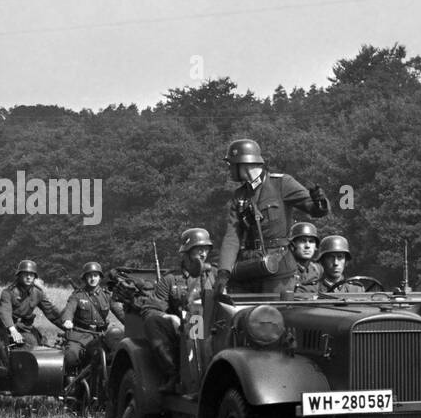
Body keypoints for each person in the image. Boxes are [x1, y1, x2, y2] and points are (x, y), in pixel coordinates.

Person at [218, 138, 329, 291]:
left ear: (243, 163)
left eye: (231, 164)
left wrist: (319, 201)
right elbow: (232, 237)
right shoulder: (239, 196)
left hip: (278, 270)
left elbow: (314, 209)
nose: (229, 169)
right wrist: (224, 272)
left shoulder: (282, 184)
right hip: (248, 268)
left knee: (277, 314)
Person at [141, 227, 218, 391]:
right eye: (198, 249)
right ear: (187, 252)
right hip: (182, 332)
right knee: (152, 321)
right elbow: (150, 309)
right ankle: (173, 373)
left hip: (213, 330)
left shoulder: (216, 275)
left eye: (206, 249)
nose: (203, 254)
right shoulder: (170, 279)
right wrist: (168, 317)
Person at [0, 259, 63, 381]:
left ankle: (30, 377)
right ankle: (6, 370)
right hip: (1, 326)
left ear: (34, 277)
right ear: (19, 275)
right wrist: (12, 330)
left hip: (23, 327)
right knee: (0, 343)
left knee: (33, 345)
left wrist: (67, 325)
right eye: (25, 274)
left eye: (31, 274)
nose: (29, 277)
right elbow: (4, 312)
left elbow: (51, 312)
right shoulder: (8, 292)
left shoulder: (38, 293)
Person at [59, 261, 125, 375]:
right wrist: (67, 320)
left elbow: (120, 313)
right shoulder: (78, 295)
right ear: (85, 278)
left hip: (100, 336)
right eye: (89, 276)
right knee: (70, 356)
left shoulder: (107, 295)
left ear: (100, 277)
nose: (92, 278)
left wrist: (133, 323)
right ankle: (70, 387)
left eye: (95, 275)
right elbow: (69, 309)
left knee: (114, 357)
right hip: (80, 335)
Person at [288, 221, 323, 294]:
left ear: (316, 247)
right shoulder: (285, 270)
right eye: (302, 241)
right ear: (292, 245)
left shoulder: (318, 270)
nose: (307, 246)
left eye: (311, 241)